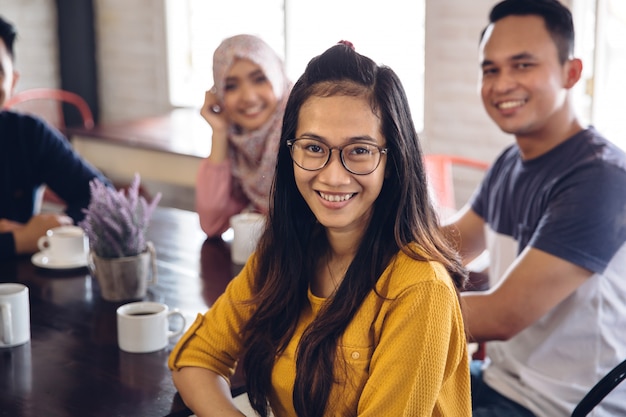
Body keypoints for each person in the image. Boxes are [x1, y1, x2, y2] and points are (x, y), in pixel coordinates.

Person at [169, 41, 471, 417]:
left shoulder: (421, 289)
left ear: (392, 161)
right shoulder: (286, 248)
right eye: (314, 148)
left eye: (359, 151)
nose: (332, 176)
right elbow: (194, 359)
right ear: (290, 151)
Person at [444, 1, 626, 416]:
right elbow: (446, 246)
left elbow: (502, 315)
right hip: (500, 380)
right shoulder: (511, 162)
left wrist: (369, 303)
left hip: (563, 405)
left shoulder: (602, 177)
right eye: (490, 70)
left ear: (571, 72)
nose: (502, 83)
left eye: (522, 65)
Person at [0, 15, 110, 261]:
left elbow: (103, 199)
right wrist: (18, 241)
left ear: (12, 81)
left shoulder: (28, 134)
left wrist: (57, 226)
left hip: (26, 289)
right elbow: (22, 240)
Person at [196, 34, 292, 237]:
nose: (248, 97)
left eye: (259, 79)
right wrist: (219, 133)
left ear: (277, 77)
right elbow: (212, 223)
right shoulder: (239, 143)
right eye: (231, 86)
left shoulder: (304, 128)